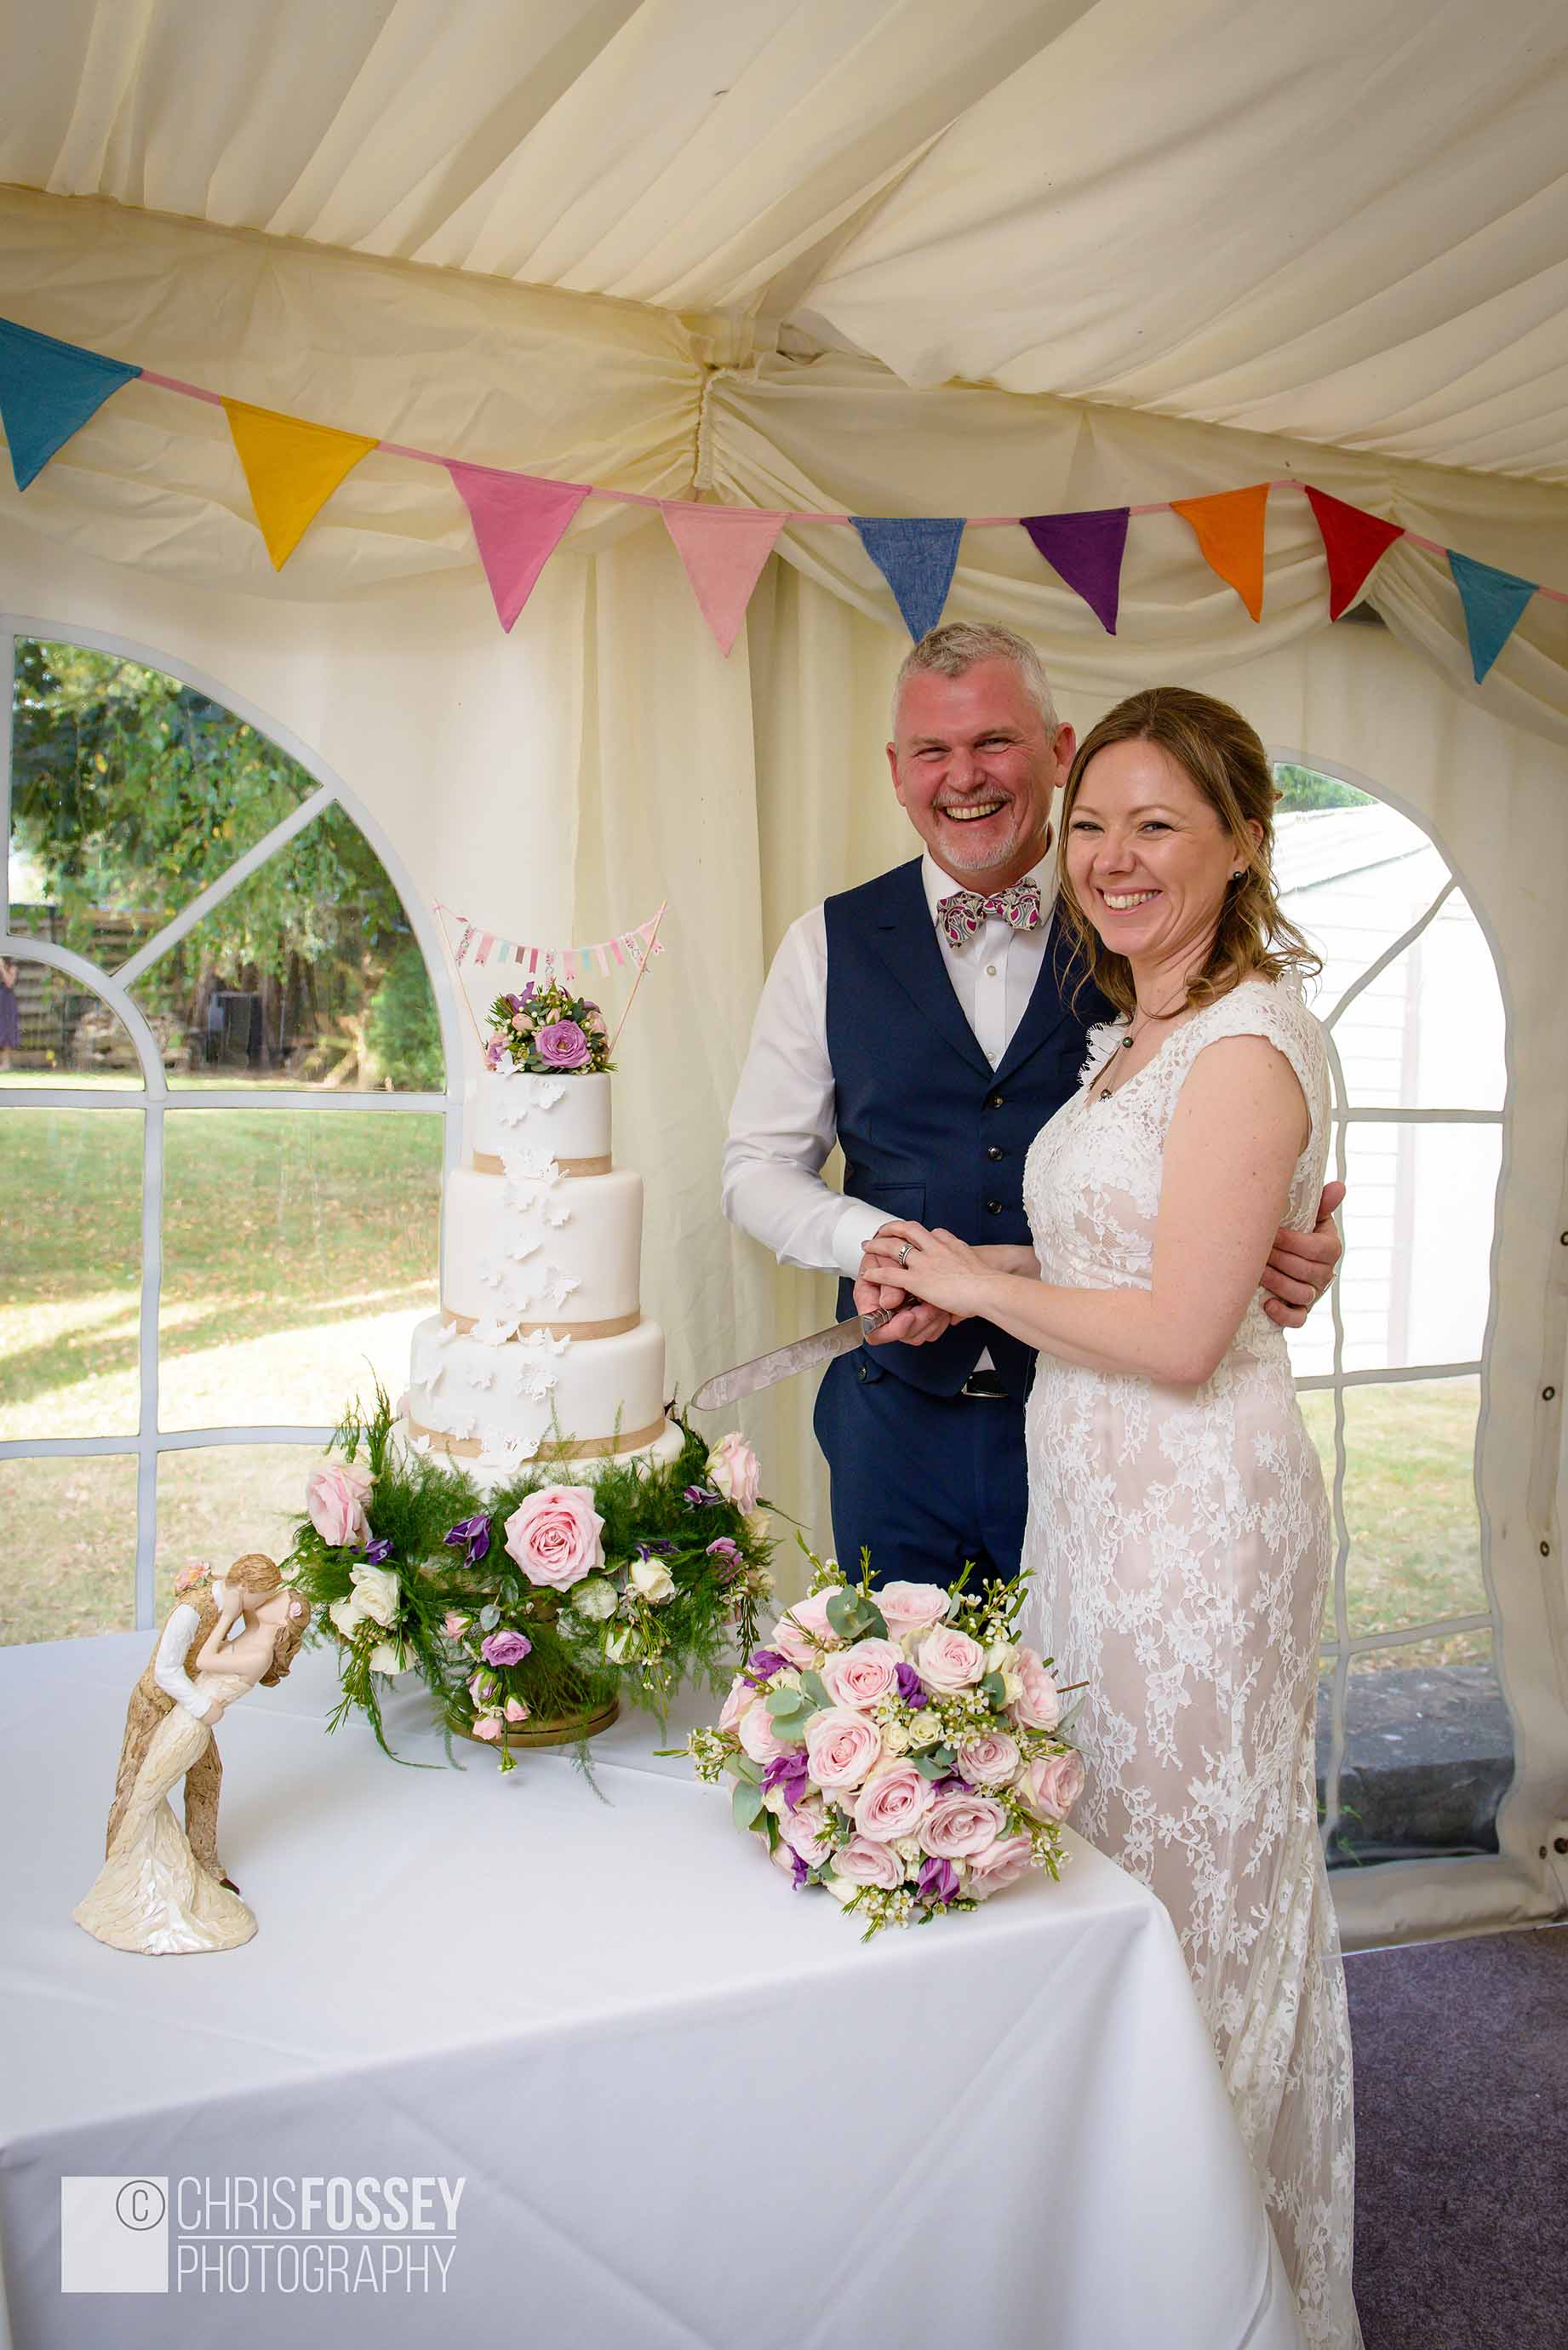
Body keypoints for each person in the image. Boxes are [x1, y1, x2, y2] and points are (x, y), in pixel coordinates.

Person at [861, 685, 1360, 2348]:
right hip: (1095, 1510)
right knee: (1117, 1878)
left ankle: (1216, 2293)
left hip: (1198, 1529)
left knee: (1195, 1902)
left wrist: (972, 1285)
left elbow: (1181, 1331)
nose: (1113, 858)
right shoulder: (1130, 1034)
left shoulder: (1244, 1042)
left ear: (1244, 840)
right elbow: (1117, 1262)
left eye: (1158, 825)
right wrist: (964, 1273)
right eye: (1093, 826)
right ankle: (1121, 2271)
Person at [723, 622, 1342, 1587]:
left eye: (994, 742)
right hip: (892, 1423)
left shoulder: (1145, 926)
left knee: (1080, 1682)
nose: (963, 777)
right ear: (896, 771)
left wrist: (1277, 1238)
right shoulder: (825, 943)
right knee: (886, 1683)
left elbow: (1242, 1116)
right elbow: (755, 1169)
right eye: (933, 750)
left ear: (1059, 751)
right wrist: (876, 1245)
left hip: (1100, 1419)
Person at [77, 1556, 311, 1955]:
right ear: (246, 1590)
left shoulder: (246, 1619)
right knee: (137, 1786)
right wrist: (204, 1707)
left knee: (206, 1776)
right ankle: (121, 1864)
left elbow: (226, 1648)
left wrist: (238, 1612)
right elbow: (166, 1671)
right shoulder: (194, 1611)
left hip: (190, 1715)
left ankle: (203, 1862)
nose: (266, 1602)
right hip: (160, 1703)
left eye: (274, 1599)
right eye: (265, 1596)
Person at [0, 954, 19, 1069]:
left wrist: (2, 967)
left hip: (5, 1000)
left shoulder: (12, 966)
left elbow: (9, 983)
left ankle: (5, 1063)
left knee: (6, 1029)